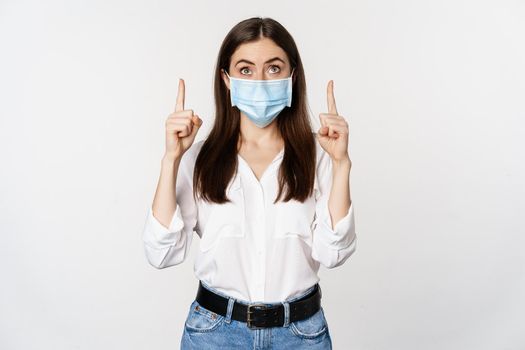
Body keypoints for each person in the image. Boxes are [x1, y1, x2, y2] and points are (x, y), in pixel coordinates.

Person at [142, 16, 357, 349]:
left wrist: (341, 163)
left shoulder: (320, 155)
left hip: (300, 335)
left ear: (292, 76)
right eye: (245, 70)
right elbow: (161, 253)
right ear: (226, 80)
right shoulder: (198, 159)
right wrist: (171, 159)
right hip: (215, 334)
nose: (260, 79)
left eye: (273, 68)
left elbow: (333, 253)